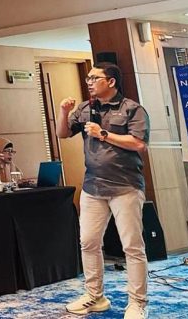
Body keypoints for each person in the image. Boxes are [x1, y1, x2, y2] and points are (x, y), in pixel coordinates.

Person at [56, 62, 150, 319]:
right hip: (93, 186)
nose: (89, 82)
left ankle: (137, 303)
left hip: (125, 186)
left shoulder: (132, 109)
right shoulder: (85, 108)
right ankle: (95, 296)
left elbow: (139, 144)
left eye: (94, 78)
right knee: (88, 242)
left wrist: (103, 134)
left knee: (132, 246)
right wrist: (64, 112)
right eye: (87, 78)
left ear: (110, 82)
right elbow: (63, 133)